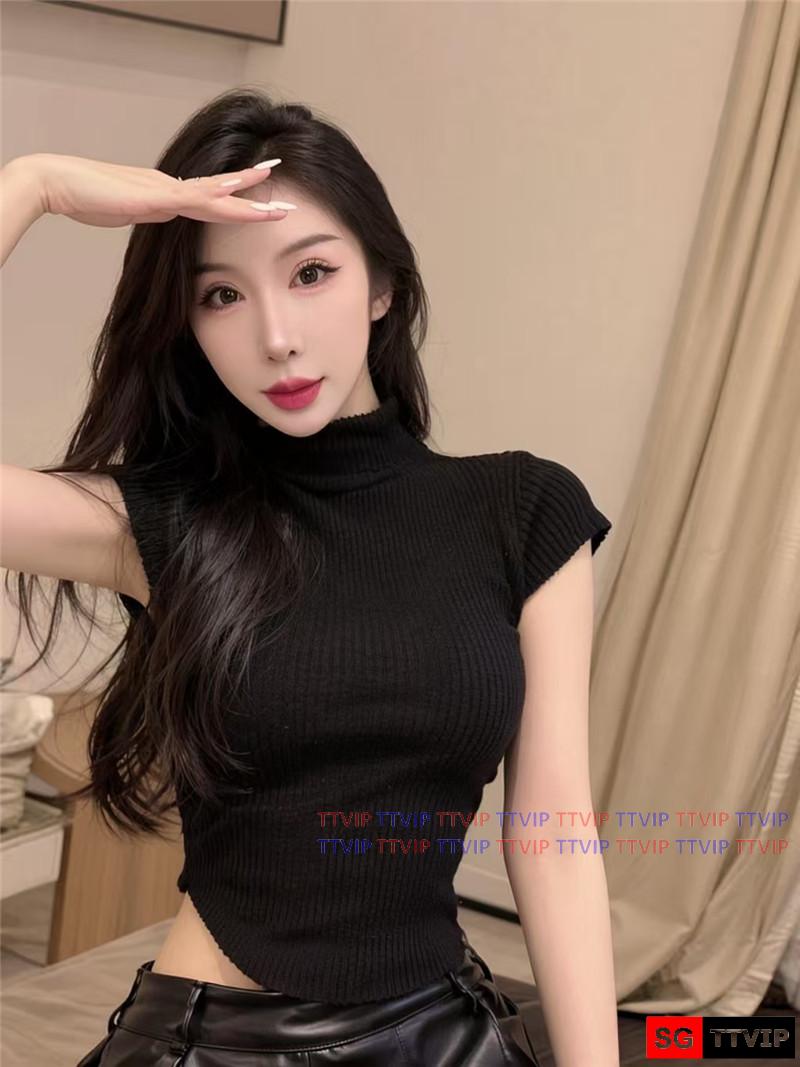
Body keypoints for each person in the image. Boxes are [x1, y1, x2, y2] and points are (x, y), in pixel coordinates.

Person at [0, 89, 619, 1066]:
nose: (276, 336)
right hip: (218, 1043)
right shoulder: (162, 518)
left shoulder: (523, 509)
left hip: (442, 1032)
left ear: (382, 284)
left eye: (311, 272)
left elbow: (551, 831)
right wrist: (32, 186)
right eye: (221, 295)